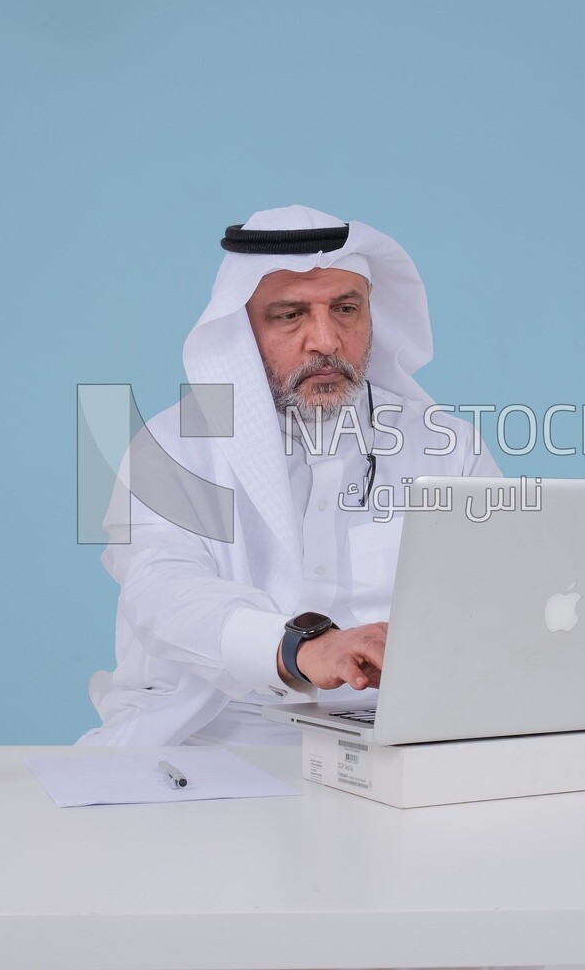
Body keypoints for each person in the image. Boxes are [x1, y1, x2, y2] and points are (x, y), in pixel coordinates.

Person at [79, 205, 500, 747]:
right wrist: (304, 650)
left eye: (346, 309)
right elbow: (165, 591)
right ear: (240, 330)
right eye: (289, 315)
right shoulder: (172, 446)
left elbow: (496, 597)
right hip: (216, 741)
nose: (325, 340)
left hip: (400, 739)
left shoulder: (448, 448)